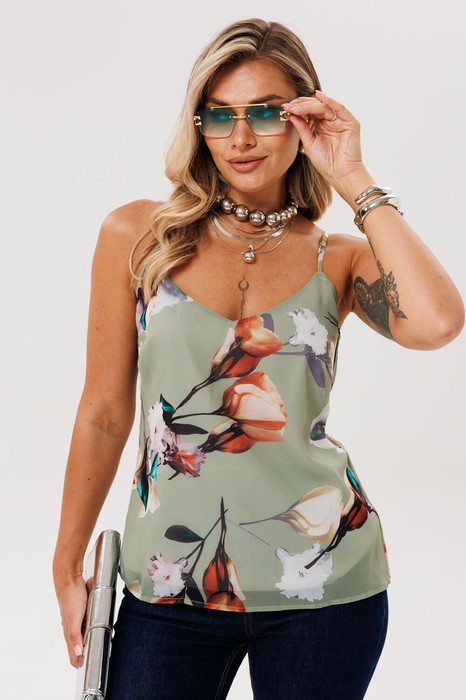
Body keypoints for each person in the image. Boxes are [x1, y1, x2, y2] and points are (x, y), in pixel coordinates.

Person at [53, 17, 464, 700]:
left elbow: (439, 321)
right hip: (169, 583)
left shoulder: (338, 260)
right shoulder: (138, 237)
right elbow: (103, 412)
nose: (240, 138)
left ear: (304, 120)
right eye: (220, 115)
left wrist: (353, 175)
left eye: (266, 113)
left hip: (326, 586)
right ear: (200, 126)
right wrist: (67, 564)